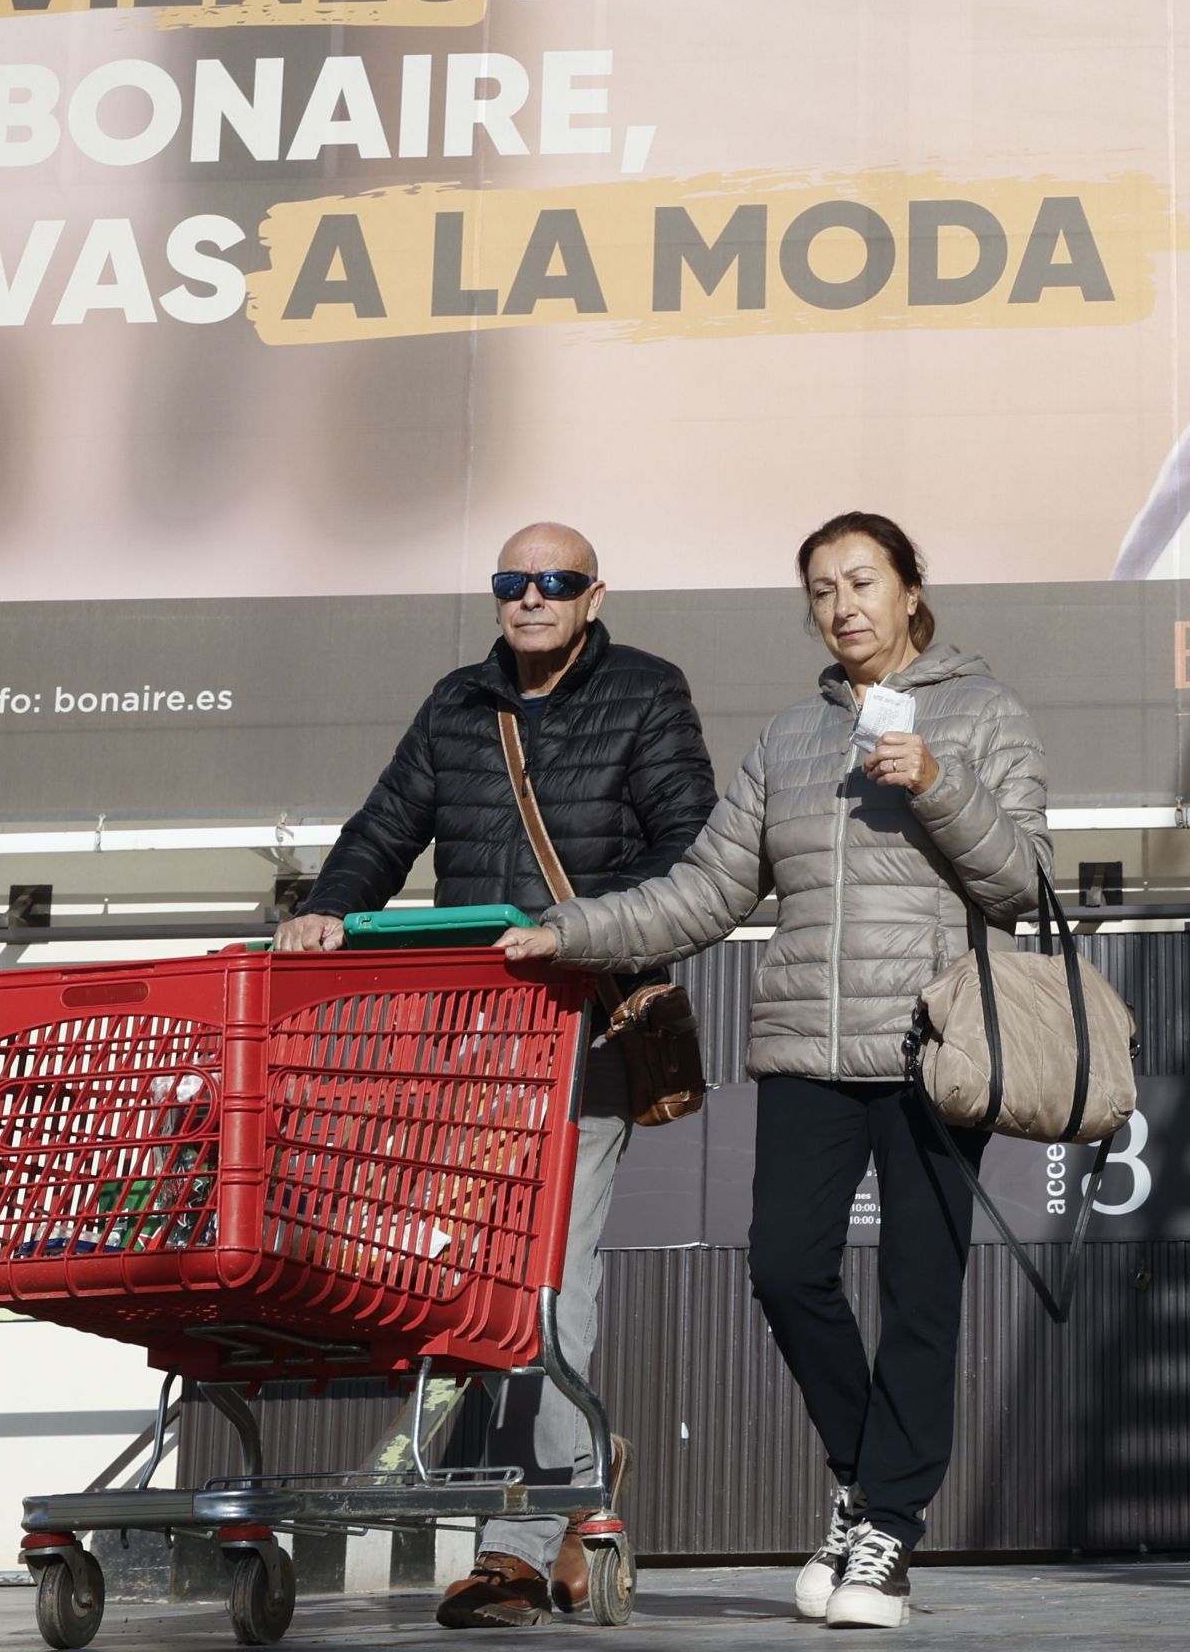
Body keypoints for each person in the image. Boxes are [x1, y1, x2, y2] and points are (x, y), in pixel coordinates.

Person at [500, 510, 1050, 1631]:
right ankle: (865, 1485)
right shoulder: (790, 739)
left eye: (860, 582)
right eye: (819, 589)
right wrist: (570, 931)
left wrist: (939, 782)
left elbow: (1023, 886)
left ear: (908, 590)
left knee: (916, 1296)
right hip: (805, 1045)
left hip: (934, 1046)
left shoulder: (983, 714)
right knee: (786, 1270)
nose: (840, 605)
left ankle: (885, 1532)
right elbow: (703, 890)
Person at [277, 520, 717, 1629]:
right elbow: (387, 827)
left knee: (543, 1283)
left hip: (584, 1029)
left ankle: (515, 1545)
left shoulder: (646, 694)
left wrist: (573, 932)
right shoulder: (457, 703)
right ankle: (577, 1466)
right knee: (479, 1291)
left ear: (592, 593)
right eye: (512, 581)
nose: (531, 597)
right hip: (475, 1045)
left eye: (554, 581)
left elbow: (689, 854)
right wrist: (327, 905)